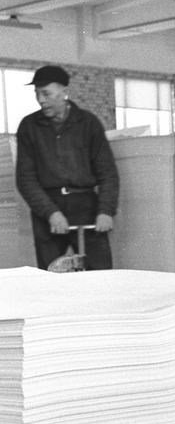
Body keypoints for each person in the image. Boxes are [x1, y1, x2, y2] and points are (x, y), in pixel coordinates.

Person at [16, 65, 119, 270]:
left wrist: (106, 211)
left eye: (46, 93)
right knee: (51, 275)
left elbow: (108, 173)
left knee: (100, 273)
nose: (41, 100)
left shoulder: (88, 123)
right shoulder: (29, 127)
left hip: (86, 206)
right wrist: (51, 213)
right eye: (37, 93)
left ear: (64, 91)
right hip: (48, 208)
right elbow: (25, 179)